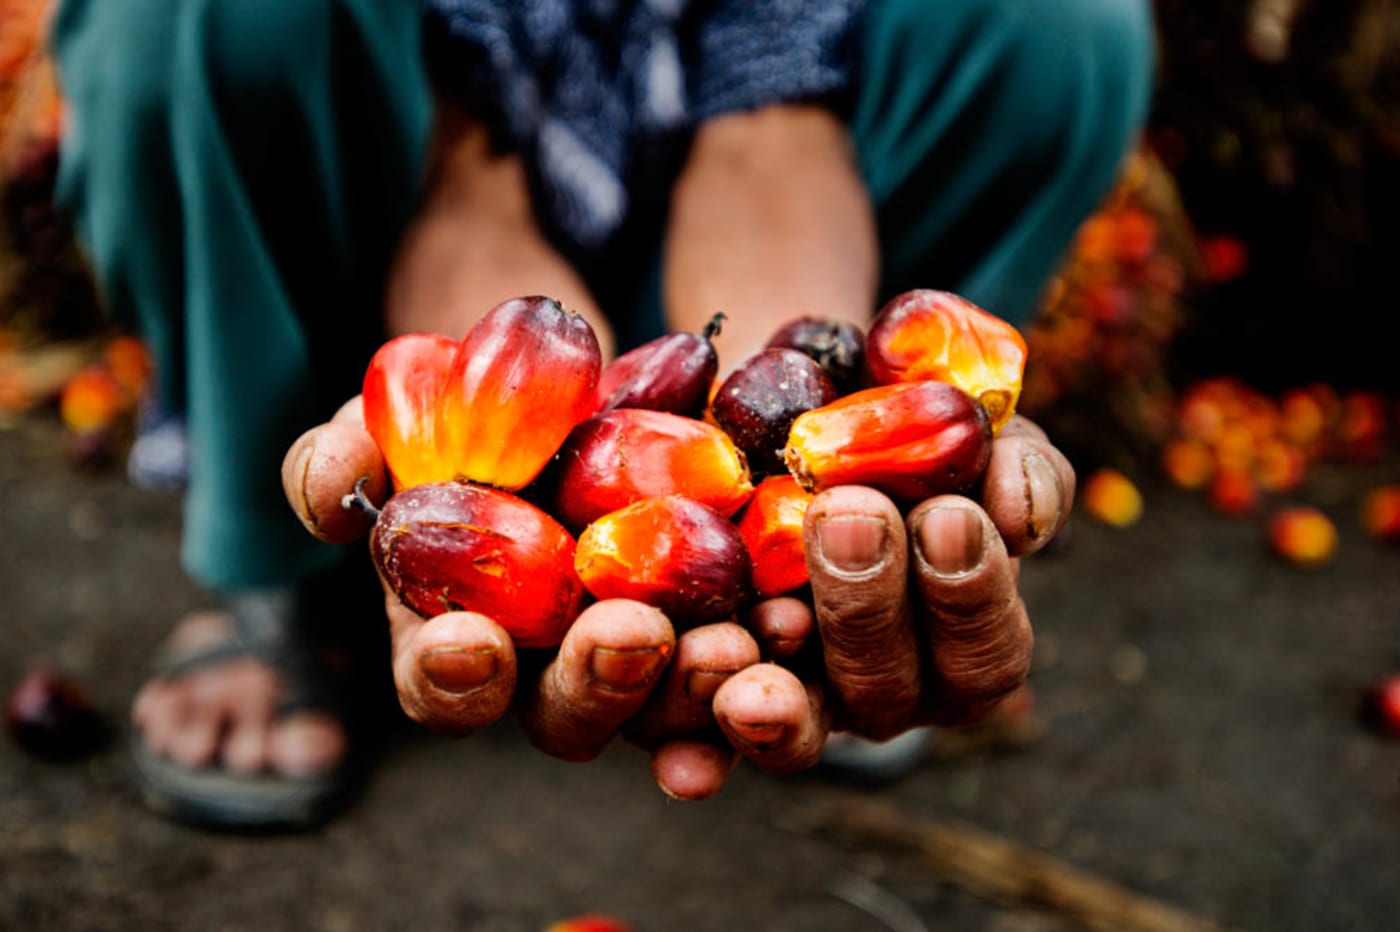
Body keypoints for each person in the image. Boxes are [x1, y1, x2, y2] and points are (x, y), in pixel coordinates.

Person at [50, 0, 1154, 829]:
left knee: (1059, 30)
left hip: (707, 246)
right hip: (386, 164)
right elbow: (467, 200)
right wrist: (465, 191)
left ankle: (860, 557)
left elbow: (771, 136)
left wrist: (785, 421)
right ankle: (282, 582)